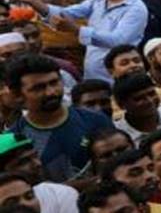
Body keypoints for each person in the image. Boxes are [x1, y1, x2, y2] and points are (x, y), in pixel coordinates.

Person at [29, 0, 146, 82]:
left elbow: (117, 41)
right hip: (93, 77)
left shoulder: (136, 9)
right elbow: (66, 13)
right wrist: (31, 1)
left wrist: (76, 30)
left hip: (120, 80)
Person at [7, 53, 113, 181]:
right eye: (38, 88)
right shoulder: (15, 139)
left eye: (54, 83)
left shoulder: (95, 120)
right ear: (18, 95)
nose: (51, 92)